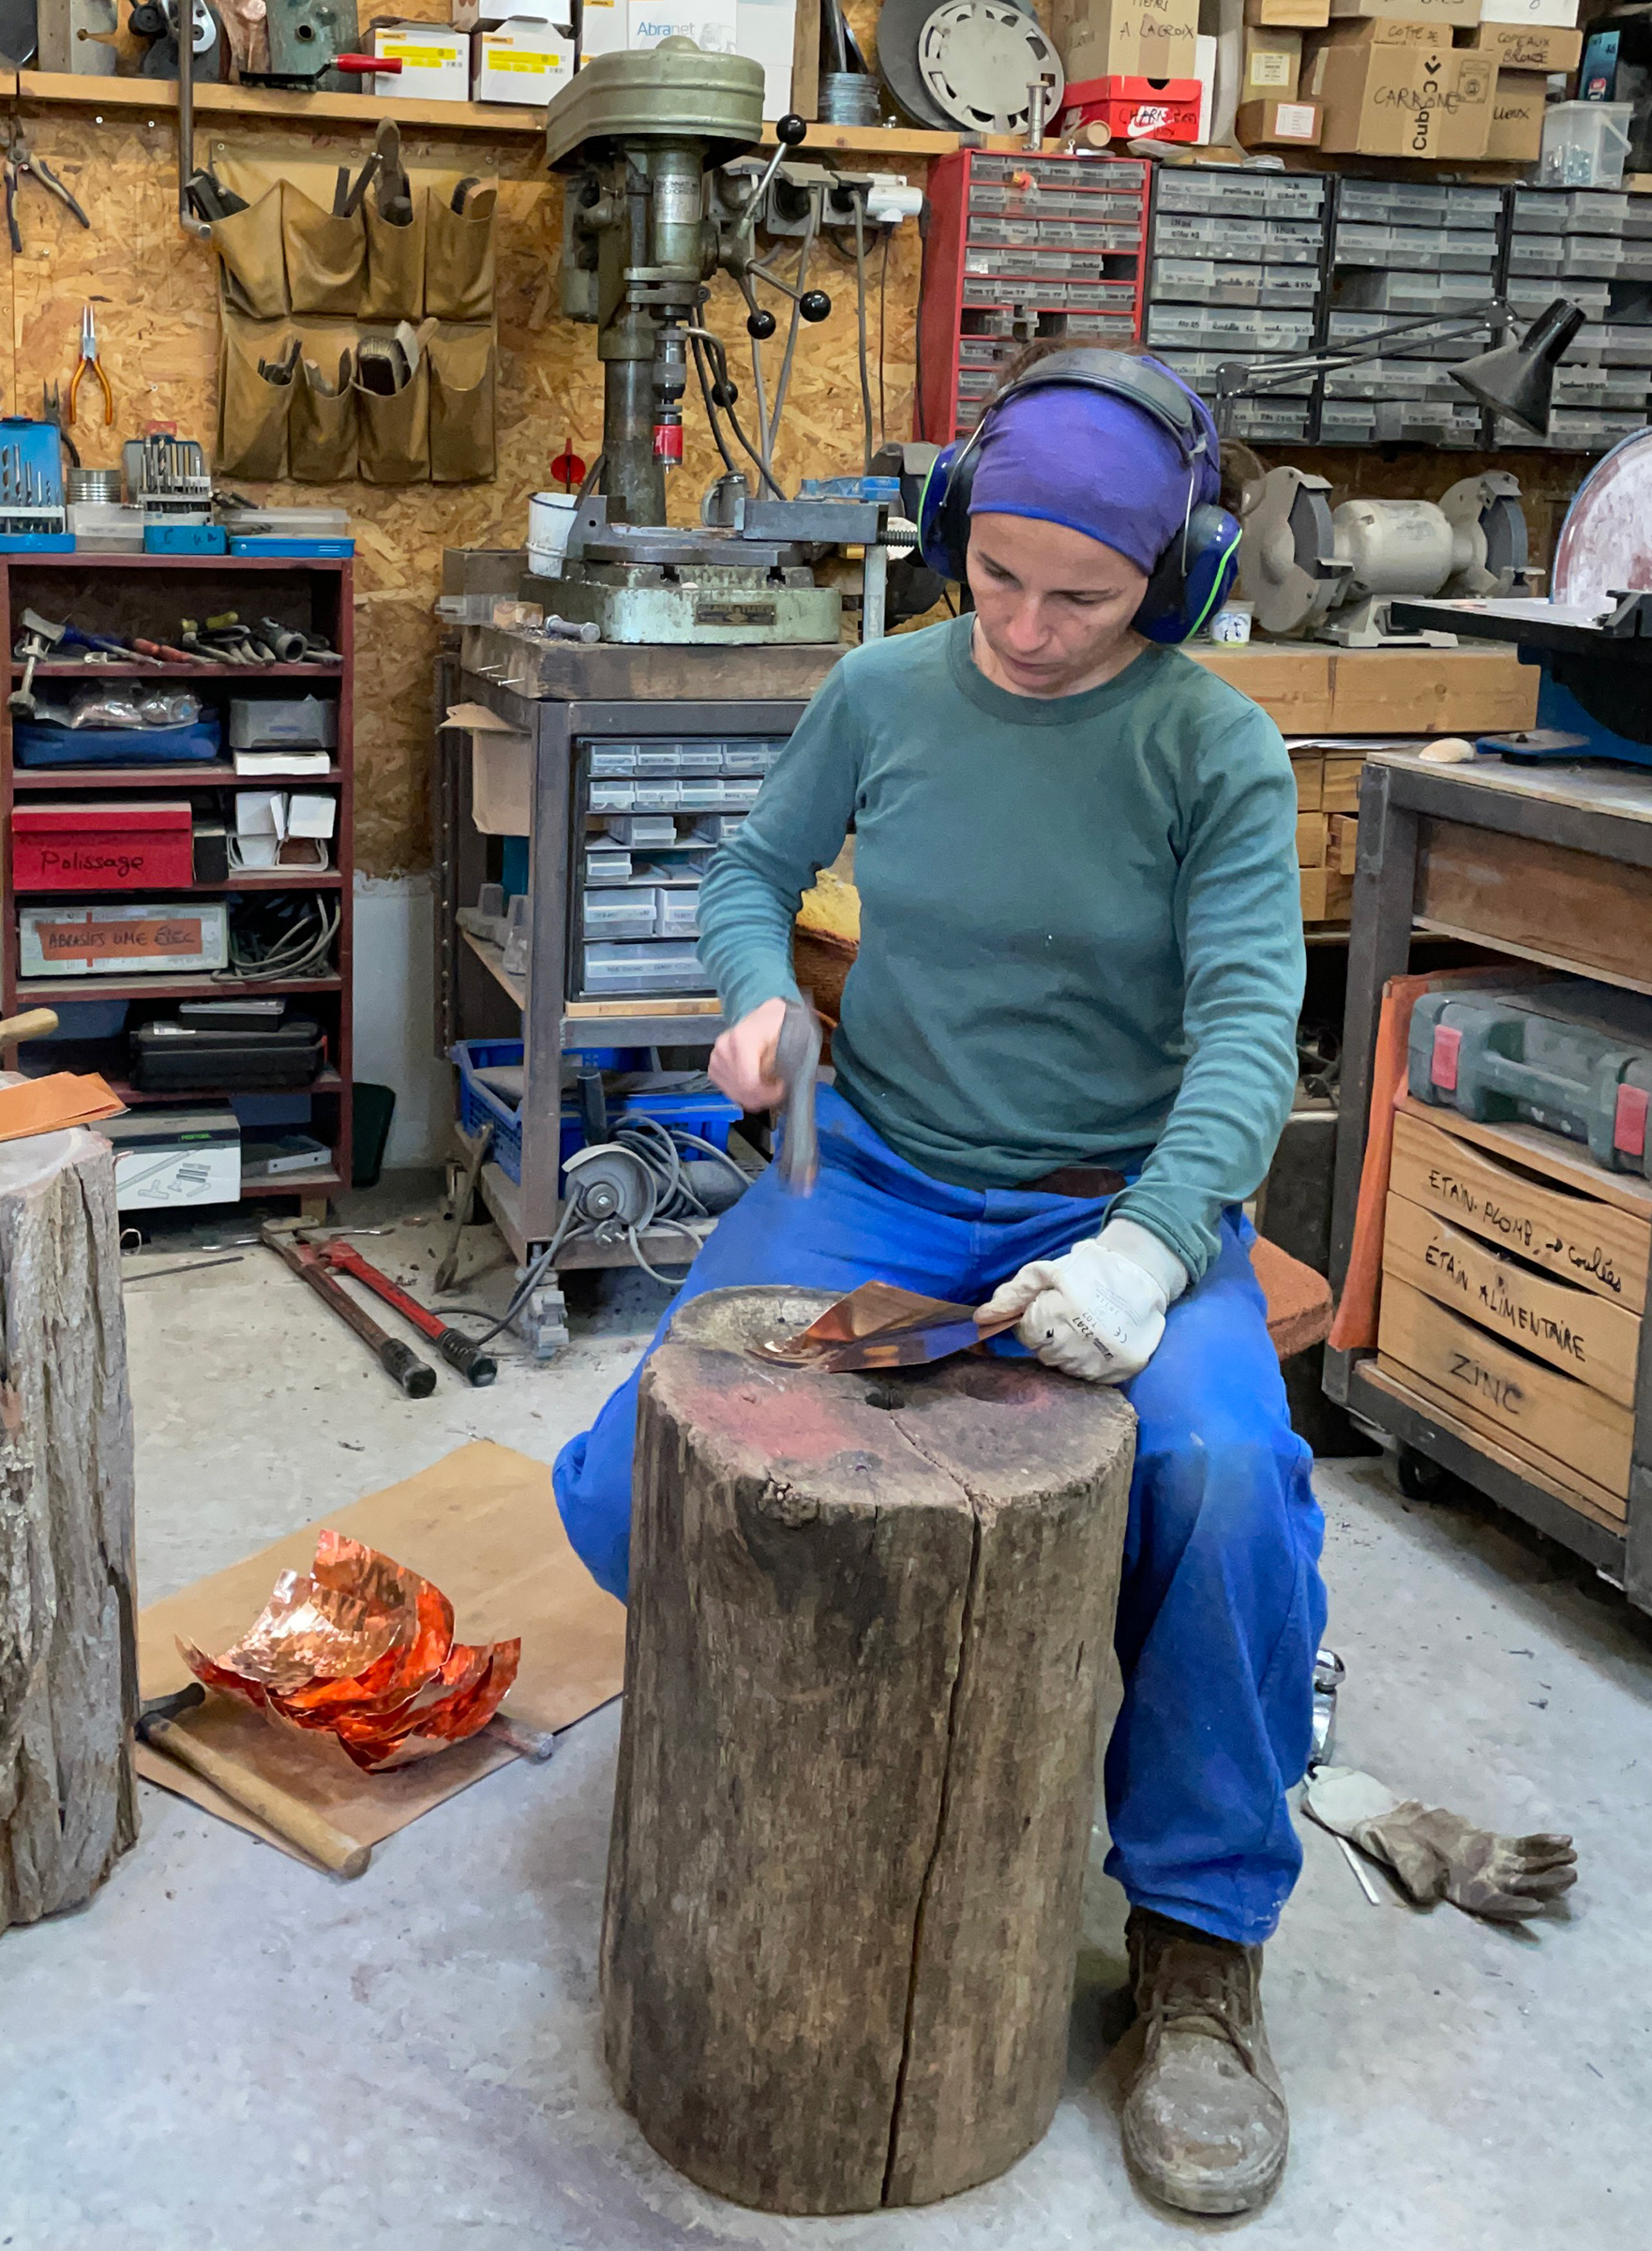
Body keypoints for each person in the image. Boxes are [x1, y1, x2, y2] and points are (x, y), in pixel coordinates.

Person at [554, 348, 1325, 2219]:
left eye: (1089, 597)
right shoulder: (883, 688)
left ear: (1177, 581)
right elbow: (751, 871)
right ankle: (852, 1783)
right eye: (1000, 579)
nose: (1033, 631)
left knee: (1224, 1484)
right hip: (881, 1177)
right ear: (954, 538)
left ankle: (1198, 1946)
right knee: (634, 1487)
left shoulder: (1215, 749)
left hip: (1122, 1204)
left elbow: (1250, 1032)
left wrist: (1149, 1246)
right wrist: (761, 1000)